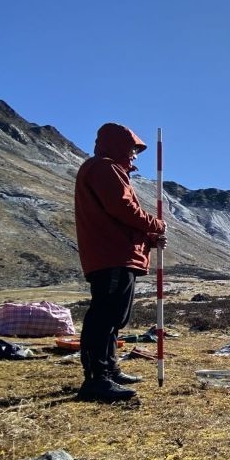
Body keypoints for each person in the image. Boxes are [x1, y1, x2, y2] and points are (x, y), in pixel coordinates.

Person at [74, 123, 167, 402]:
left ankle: (109, 370)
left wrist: (148, 240)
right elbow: (123, 208)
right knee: (105, 316)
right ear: (117, 145)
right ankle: (96, 379)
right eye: (132, 149)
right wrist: (155, 224)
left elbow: (117, 219)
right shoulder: (104, 168)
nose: (135, 156)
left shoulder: (106, 169)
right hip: (112, 255)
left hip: (117, 253)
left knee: (114, 316)